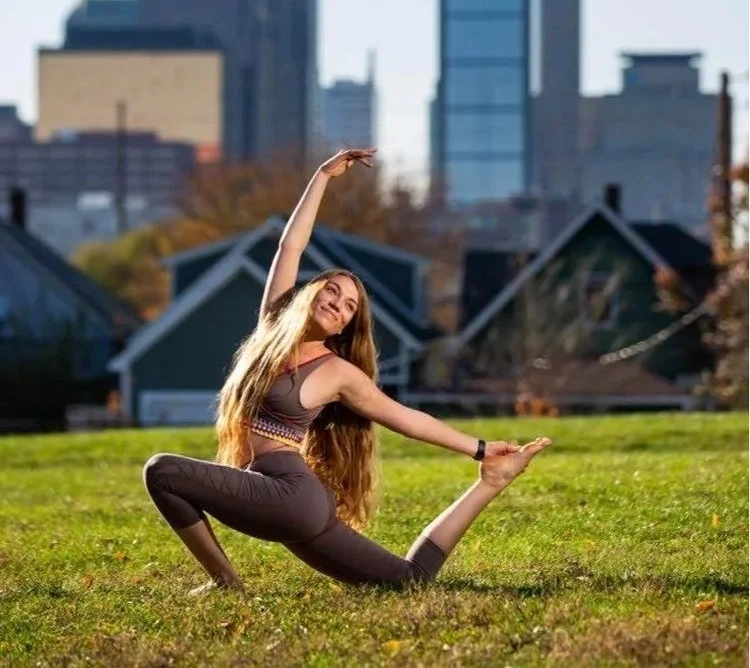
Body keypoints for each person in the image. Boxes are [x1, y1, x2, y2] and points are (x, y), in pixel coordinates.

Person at [142, 148, 552, 594]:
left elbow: (409, 420)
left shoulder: (338, 372)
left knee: (162, 469)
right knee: (407, 583)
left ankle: (226, 583)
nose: (338, 303)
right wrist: (321, 177)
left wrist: (480, 449)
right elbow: (290, 245)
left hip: (291, 496)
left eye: (349, 306)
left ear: (345, 325)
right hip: (279, 498)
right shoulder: (271, 330)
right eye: (332, 291)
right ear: (311, 293)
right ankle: (492, 485)